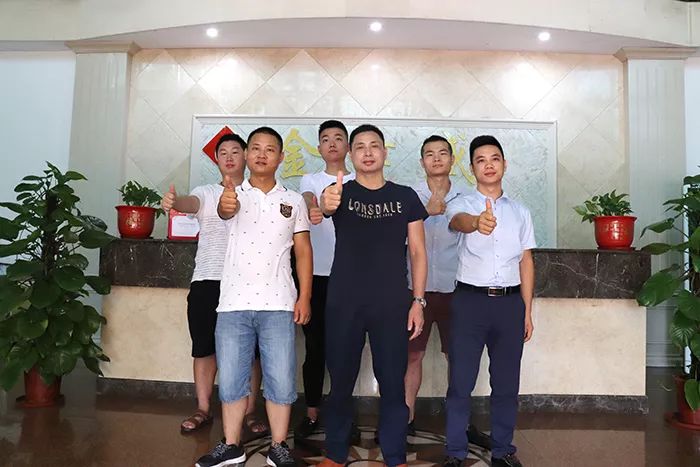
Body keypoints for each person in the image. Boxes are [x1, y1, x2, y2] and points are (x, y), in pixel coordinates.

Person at [195, 127, 313, 467]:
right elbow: (225, 211)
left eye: (270, 149)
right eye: (256, 148)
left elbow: (303, 252)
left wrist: (304, 297)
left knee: (281, 379)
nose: (262, 154)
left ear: (281, 157)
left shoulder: (293, 201)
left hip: (279, 304)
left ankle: (279, 447)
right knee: (232, 379)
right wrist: (226, 203)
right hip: (233, 304)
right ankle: (231, 445)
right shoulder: (232, 195)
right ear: (247, 155)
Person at [318, 124, 428, 467]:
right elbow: (324, 207)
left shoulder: (406, 197)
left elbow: (418, 253)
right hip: (344, 301)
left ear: (384, 152)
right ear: (350, 155)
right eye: (360, 147)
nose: (367, 152)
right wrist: (325, 202)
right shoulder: (338, 192)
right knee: (340, 381)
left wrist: (418, 301)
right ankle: (335, 453)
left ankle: (395, 455)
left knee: (393, 383)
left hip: (391, 303)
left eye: (374, 145)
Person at [160, 133, 268, 436]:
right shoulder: (206, 192)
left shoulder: (258, 194)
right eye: (223, 153)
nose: (230, 157)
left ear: (246, 156)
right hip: (208, 280)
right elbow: (189, 203)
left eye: (236, 151)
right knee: (204, 349)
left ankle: (249, 412)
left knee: (251, 352)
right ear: (217, 159)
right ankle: (203, 409)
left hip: (248, 284)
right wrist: (175, 201)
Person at [442, 135, 536, 467]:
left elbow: (526, 262)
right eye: (480, 160)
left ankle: (502, 450)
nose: (489, 165)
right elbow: (457, 222)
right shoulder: (461, 203)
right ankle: (455, 451)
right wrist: (476, 223)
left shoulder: (520, 212)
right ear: (472, 168)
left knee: (507, 383)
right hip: (470, 302)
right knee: (461, 381)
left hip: (510, 305)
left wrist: (527, 311)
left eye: (494, 158)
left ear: (504, 164)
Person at [404, 135, 491, 451]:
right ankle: (405, 420)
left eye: (443, 153)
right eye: (430, 154)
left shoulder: (467, 198)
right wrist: (425, 211)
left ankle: (462, 424)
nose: (437, 158)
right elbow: (396, 236)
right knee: (411, 356)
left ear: (453, 160)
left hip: (458, 290)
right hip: (416, 290)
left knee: (459, 358)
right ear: (422, 162)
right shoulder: (408, 196)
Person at [295, 120, 355, 439]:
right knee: (315, 348)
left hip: (351, 279)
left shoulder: (360, 180)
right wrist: (313, 204)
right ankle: (312, 412)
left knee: (346, 349)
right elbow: (307, 196)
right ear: (319, 148)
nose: (332, 143)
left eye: (338, 138)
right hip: (316, 277)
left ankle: (343, 414)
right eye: (326, 139)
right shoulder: (310, 179)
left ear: (348, 146)